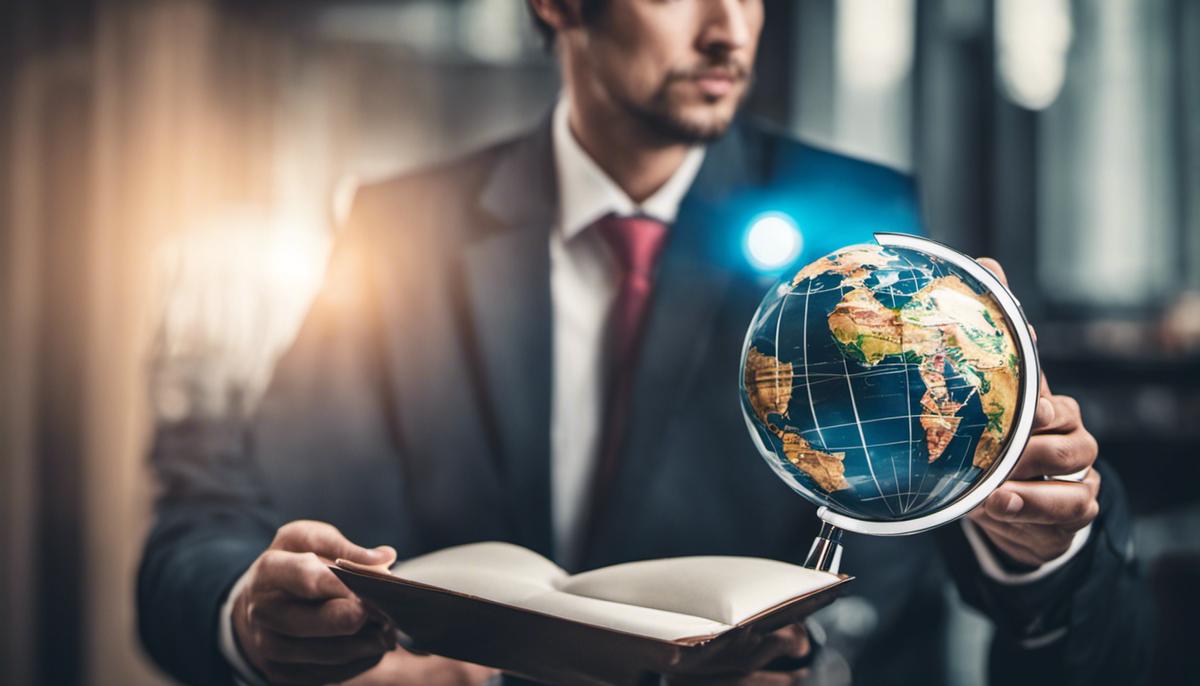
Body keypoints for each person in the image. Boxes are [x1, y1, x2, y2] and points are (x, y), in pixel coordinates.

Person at [137, 1, 1149, 684]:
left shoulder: (865, 229)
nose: (728, 31)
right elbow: (201, 523)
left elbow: (1074, 623)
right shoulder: (401, 231)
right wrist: (254, 616)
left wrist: (1036, 546)